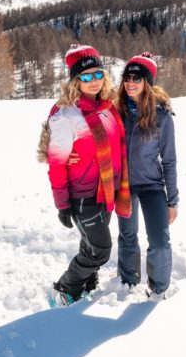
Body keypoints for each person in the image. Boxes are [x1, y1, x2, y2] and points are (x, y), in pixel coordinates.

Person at [39, 44, 131, 307]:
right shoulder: (66, 115)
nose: (93, 81)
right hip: (82, 195)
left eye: (97, 74)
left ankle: (85, 285)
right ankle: (64, 287)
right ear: (75, 81)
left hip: (107, 191)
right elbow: (57, 164)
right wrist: (63, 204)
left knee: (90, 245)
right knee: (101, 251)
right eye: (86, 76)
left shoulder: (107, 107)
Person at [115, 53, 178, 300]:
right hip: (124, 186)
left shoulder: (161, 116)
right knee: (128, 236)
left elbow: (170, 160)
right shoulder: (117, 110)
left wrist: (172, 201)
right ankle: (128, 282)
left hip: (152, 185)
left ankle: (159, 288)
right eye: (127, 78)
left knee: (160, 242)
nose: (130, 83)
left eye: (137, 78)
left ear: (147, 82)